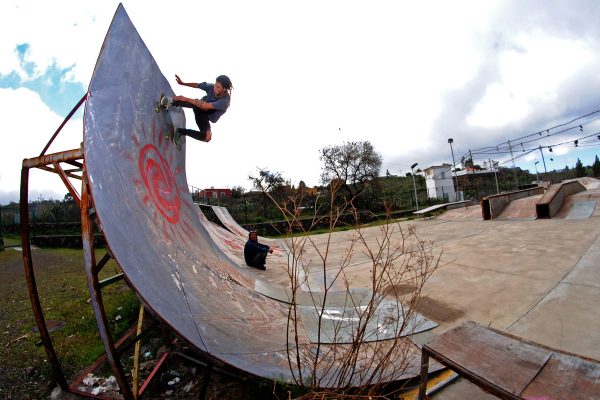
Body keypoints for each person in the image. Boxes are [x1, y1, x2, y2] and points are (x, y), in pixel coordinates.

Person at [164, 74, 233, 144]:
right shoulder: (212, 87)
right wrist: (183, 83)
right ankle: (171, 102)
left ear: (224, 89)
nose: (215, 88)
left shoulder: (225, 101)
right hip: (198, 107)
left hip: (205, 115)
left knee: (207, 137)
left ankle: (179, 131)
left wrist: (185, 99)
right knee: (199, 104)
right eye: (215, 85)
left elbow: (205, 106)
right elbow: (198, 85)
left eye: (218, 87)